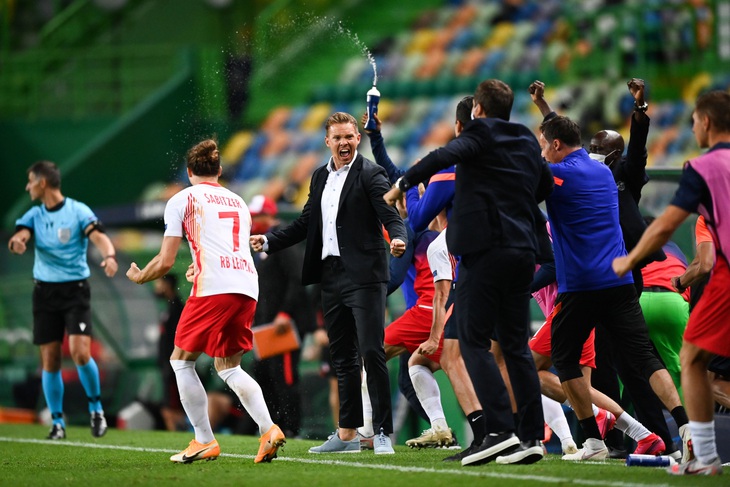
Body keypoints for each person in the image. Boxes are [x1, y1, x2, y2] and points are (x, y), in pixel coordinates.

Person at [385, 79, 553, 466]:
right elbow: (543, 184)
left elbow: (442, 157)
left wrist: (403, 185)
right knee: (514, 347)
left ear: (478, 108)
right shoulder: (526, 140)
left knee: (471, 342)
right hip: (523, 252)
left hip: (485, 251)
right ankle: (530, 437)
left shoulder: (478, 133)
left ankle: (499, 431)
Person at [529, 78, 677, 459]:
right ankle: (682, 430)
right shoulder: (603, 174)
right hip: (620, 282)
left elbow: (548, 163)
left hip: (583, 285)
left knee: (567, 362)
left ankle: (599, 436)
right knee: (639, 359)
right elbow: (562, 136)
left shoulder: (568, 175)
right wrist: (544, 108)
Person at [250, 112, 407, 455]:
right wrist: (271, 241)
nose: (344, 143)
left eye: (349, 137)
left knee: (371, 352)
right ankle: (347, 433)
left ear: (357, 138)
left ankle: (381, 432)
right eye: (337, 138)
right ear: (327, 142)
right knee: (343, 357)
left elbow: (390, 215)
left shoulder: (371, 174)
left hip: (365, 276)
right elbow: (306, 222)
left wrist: (397, 239)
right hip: (331, 277)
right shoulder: (320, 176)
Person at [126, 139, 285, 464]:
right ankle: (268, 429)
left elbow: (165, 260)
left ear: (188, 172)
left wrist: (141, 275)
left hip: (213, 288)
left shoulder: (182, 198)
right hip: (246, 286)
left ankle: (203, 440)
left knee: (180, 360)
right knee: (228, 365)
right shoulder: (238, 201)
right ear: (220, 171)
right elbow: (226, 247)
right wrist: (200, 264)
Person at [613, 90, 730, 476]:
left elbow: (665, 223)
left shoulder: (703, 168)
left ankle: (702, 455)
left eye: (694, 120)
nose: (692, 126)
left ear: (707, 122)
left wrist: (630, 259)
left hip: (723, 278)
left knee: (692, 359)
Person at [8, 160, 117, 440]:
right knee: (50, 360)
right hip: (44, 293)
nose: (27, 186)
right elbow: (20, 235)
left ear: (42, 182)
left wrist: (109, 256)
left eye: (30, 181)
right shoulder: (34, 215)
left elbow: (100, 237)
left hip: (75, 291)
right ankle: (57, 423)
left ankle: (96, 410)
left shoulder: (77, 211)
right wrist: (18, 242)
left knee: (81, 353)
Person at [248, 194, 317, 438]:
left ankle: (293, 428)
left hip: (283, 324)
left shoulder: (282, 241)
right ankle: (274, 425)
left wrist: (285, 313)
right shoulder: (260, 246)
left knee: (285, 376)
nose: (254, 221)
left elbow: (298, 278)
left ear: (270, 216)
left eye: (258, 216)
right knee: (265, 374)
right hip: (265, 325)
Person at [639, 218, 691, 398]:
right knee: (682, 370)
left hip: (638, 301)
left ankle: (618, 424)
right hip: (673, 302)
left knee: (625, 370)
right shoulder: (674, 249)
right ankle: (691, 424)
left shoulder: (630, 247)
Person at [153, 273, 186, 431]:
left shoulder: (178, 308)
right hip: (167, 366)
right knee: (168, 408)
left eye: (159, 283)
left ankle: (183, 437)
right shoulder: (168, 307)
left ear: (167, 285)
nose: (156, 287)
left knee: (173, 409)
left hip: (173, 366)